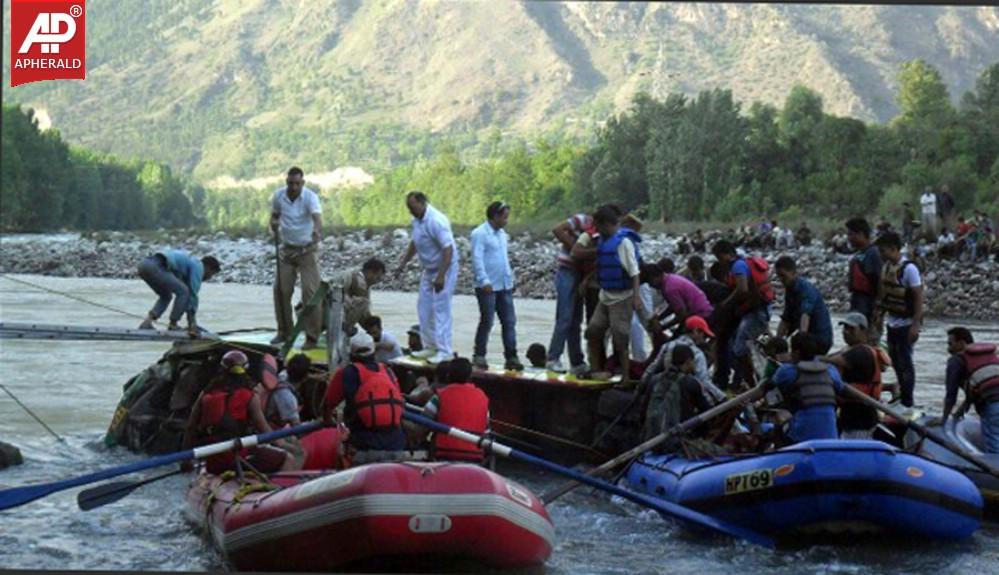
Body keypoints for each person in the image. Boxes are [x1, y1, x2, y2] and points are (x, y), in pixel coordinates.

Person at [182, 350, 302, 474]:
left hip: (213, 460)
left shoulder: (206, 394)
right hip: (239, 458)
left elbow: (190, 428)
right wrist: (287, 447)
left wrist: (185, 460)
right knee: (288, 458)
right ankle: (276, 489)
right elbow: (266, 431)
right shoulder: (249, 396)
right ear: (245, 370)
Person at [323, 332, 408, 463]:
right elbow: (400, 402)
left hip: (363, 448)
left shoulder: (346, 373)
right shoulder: (388, 371)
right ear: (374, 353)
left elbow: (327, 405)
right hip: (397, 446)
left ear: (351, 354)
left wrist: (328, 422)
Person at [396, 191, 459, 364]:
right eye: (408, 208)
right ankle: (430, 346)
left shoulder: (437, 221)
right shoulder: (416, 221)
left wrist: (441, 276)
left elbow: (448, 250)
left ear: (422, 203)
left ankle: (445, 350)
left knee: (440, 307)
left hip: (445, 267)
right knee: (424, 306)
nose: (411, 211)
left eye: (413, 207)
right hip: (429, 268)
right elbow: (415, 243)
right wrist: (403, 263)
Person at [584, 205, 645, 380]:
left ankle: (625, 377)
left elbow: (634, 272)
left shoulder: (623, 243)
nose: (597, 231)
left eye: (599, 226)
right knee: (593, 331)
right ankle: (595, 369)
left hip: (622, 297)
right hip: (605, 295)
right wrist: (587, 279)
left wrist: (636, 297)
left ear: (607, 224)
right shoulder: (604, 240)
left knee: (620, 337)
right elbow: (603, 266)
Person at [270, 167, 323, 348]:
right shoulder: (278, 196)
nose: (293, 187)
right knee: (280, 291)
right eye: (290, 183)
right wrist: (273, 224)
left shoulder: (310, 197)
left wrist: (316, 230)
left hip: (307, 251)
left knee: (310, 292)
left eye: (297, 183)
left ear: (303, 183)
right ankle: (284, 331)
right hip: (287, 250)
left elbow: (317, 218)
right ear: (286, 182)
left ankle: (311, 336)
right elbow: (274, 215)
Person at [712, 240, 774, 389]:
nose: (721, 262)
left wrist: (725, 304)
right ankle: (759, 380)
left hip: (756, 313)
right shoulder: (742, 262)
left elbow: (742, 289)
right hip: (761, 311)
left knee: (739, 349)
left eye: (720, 258)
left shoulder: (738, 266)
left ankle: (756, 384)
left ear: (728, 254)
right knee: (763, 346)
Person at [819, 313, 890, 438]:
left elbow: (830, 361)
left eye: (851, 329)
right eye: (845, 328)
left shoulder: (860, 352)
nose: (846, 332)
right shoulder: (850, 350)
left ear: (863, 331)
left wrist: (810, 358)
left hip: (860, 418)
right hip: (852, 413)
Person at [471, 201, 522, 371]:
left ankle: (511, 357)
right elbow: (477, 258)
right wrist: (483, 280)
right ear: (495, 216)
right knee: (487, 321)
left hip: (504, 285)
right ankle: (479, 355)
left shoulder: (502, 235)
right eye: (504, 217)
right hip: (487, 286)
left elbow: (503, 258)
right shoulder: (479, 233)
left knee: (509, 322)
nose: (506, 220)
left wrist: (510, 280)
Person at [876, 231, 924, 409]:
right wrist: (879, 317)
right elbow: (884, 296)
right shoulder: (887, 267)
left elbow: (918, 296)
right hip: (892, 322)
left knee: (905, 362)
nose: (881, 255)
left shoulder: (909, 269)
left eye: (883, 251)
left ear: (894, 249)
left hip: (906, 323)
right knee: (895, 360)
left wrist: (916, 324)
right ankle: (901, 393)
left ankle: (908, 401)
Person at [769, 333, 846, 443]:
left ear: (796, 352)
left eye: (792, 351)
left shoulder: (788, 371)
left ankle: (779, 455)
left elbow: (773, 382)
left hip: (802, 437)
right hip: (831, 436)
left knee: (779, 422)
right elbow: (840, 387)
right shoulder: (830, 370)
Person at [546, 211, 594, 374]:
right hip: (567, 271)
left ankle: (576, 362)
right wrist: (575, 250)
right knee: (565, 317)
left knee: (575, 320)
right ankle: (553, 358)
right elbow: (558, 229)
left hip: (581, 274)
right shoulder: (583, 220)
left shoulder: (602, 234)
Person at [640, 345, 713, 453]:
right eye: (693, 362)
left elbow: (643, 412)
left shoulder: (654, 380)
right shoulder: (691, 382)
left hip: (651, 440)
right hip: (677, 441)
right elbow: (707, 413)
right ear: (688, 361)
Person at [936, 327, 999, 453]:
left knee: (993, 444)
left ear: (962, 343)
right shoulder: (986, 357)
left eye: (950, 344)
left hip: (992, 405)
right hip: (994, 400)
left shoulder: (955, 361)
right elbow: (976, 388)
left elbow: (951, 395)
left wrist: (943, 420)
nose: (948, 348)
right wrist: (962, 409)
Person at [642, 316, 726, 406]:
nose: (704, 339)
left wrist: (641, 387)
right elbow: (703, 382)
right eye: (704, 335)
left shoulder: (667, 346)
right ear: (696, 331)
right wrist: (721, 398)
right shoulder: (697, 354)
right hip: (684, 399)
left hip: (662, 392)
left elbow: (652, 369)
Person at [137, 249, 220, 337]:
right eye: (212, 274)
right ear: (208, 268)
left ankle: (147, 322)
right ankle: (173, 324)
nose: (210, 277)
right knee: (183, 292)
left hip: (144, 265)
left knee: (166, 296)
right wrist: (192, 323)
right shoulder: (198, 266)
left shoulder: (188, 265)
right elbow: (192, 294)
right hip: (156, 266)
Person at [422, 357, 491, 462]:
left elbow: (421, 428)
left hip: (444, 456)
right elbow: (486, 434)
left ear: (448, 376)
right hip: (475, 459)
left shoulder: (439, 397)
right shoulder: (482, 397)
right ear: (470, 376)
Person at [775, 256, 833, 355]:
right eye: (778, 276)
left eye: (783, 276)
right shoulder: (790, 289)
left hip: (819, 339)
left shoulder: (806, 290)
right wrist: (777, 341)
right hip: (808, 335)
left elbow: (805, 316)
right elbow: (786, 319)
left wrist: (801, 345)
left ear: (793, 272)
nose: (781, 280)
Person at [640, 263, 713, 334]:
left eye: (650, 282)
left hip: (701, 316)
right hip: (700, 312)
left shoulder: (670, 289)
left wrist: (663, 327)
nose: (650, 286)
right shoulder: (670, 278)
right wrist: (659, 318)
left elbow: (682, 315)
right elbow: (674, 306)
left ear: (654, 277)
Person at [845, 217, 883, 343]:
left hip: (868, 303)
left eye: (850, 234)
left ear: (861, 234)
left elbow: (879, 281)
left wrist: (877, 308)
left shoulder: (873, 253)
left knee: (867, 339)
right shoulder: (859, 253)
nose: (848, 238)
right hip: (857, 300)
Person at [330, 258, 386, 335]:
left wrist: (372, 324)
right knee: (363, 302)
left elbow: (362, 312)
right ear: (370, 272)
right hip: (332, 309)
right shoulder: (353, 277)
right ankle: (346, 326)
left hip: (338, 310)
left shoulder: (364, 283)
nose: (377, 281)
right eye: (378, 278)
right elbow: (332, 292)